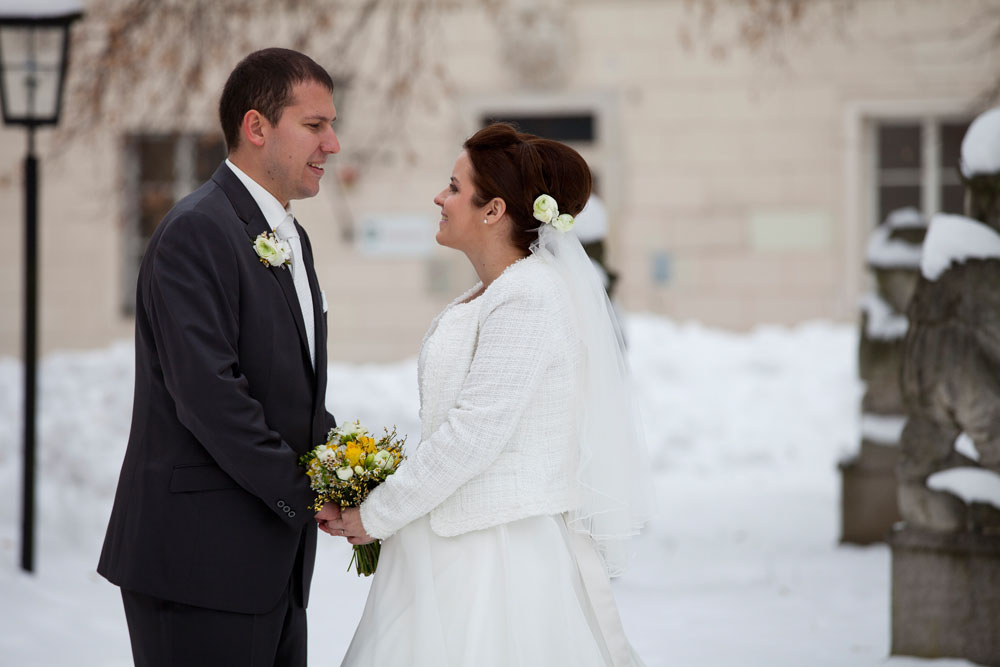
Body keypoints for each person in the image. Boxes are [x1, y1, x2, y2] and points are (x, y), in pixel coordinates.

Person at [324, 123, 654, 666]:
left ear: (493, 210)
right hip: (455, 542)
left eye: (454, 187)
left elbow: (474, 433)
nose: (439, 196)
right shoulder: (496, 291)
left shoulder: (529, 297)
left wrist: (378, 512)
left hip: (497, 557)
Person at [98, 48, 343, 666]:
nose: (332, 144)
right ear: (257, 127)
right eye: (314, 126)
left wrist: (349, 469)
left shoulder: (288, 235)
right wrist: (307, 492)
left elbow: (288, 388)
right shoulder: (195, 230)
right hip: (199, 567)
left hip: (269, 570)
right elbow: (211, 397)